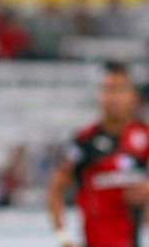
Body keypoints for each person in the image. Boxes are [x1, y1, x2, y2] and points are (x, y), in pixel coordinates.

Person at [48, 61, 149, 247]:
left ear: (133, 96)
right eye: (108, 90)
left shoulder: (143, 136)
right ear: (100, 96)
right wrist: (63, 238)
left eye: (120, 90)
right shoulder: (83, 141)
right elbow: (55, 190)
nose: (114, 98)